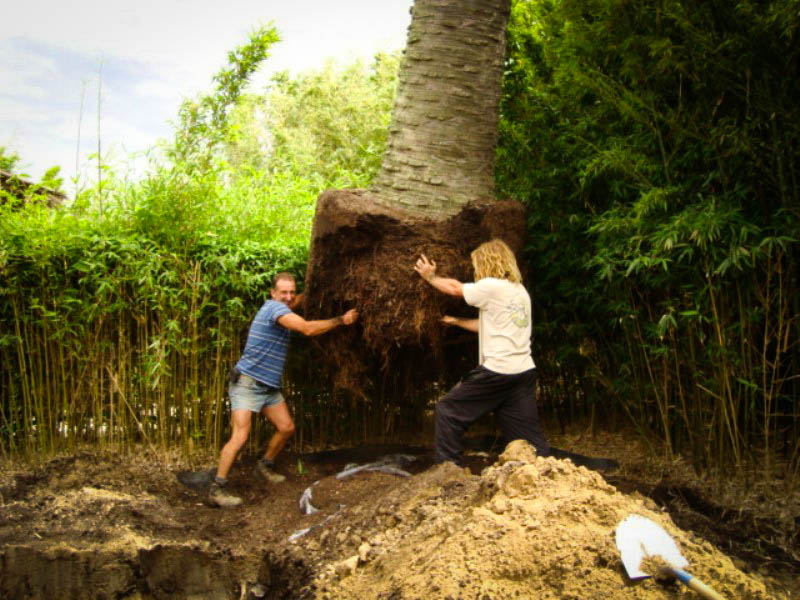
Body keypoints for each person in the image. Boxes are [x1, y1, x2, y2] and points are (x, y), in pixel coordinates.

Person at [208, 272, 358, 507]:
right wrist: (341, 320)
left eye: (291, 292)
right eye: (283, 293)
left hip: (268, 385)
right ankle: (217, 489)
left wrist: (320, 286)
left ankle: (264, 465)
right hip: (248, 382)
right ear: (273, 293)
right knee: (240, 436)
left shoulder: (285, 304)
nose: (288, 297)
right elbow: (307, 328)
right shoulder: (273, 310)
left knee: (287, 427)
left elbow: (297, 301)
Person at [414, 238, 549, 465]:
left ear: (487, 263)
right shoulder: (519, 292)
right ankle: (545, 473)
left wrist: (431, 277)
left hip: (497, 372)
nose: (476, 270)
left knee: (448, 411)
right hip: (523, 373)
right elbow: (487, 324)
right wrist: (456, 321)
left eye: (477, 265)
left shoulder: (493, 286)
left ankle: (448, 473)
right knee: (527, 436)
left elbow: (456, 288)